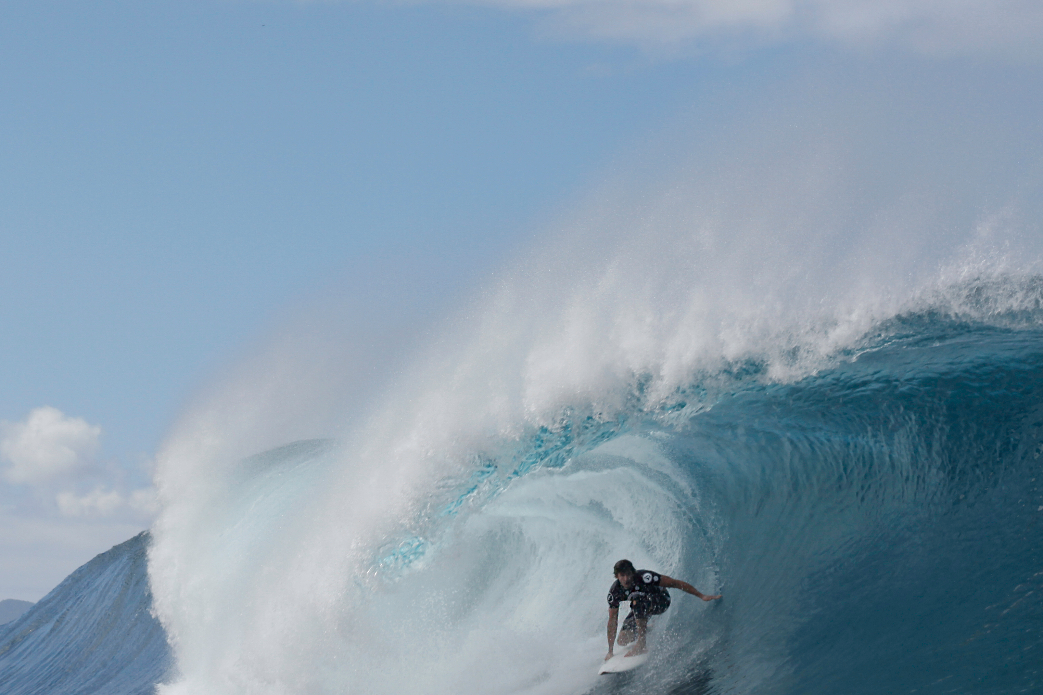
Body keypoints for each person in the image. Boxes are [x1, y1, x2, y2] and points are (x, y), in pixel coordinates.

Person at [605, 559, 721, 660]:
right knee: (622, 640)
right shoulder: (615, 592)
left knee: (637, 600)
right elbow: (612, 620)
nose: (626, 579)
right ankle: (647, 628)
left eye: (629, 574)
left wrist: (702, 596)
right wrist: (610, 651)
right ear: (617, 576)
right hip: (641, 607)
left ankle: (642, 644)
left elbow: (675, 583)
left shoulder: (645, 577)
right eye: (622, 575)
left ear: (633, 572)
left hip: (661, 601)